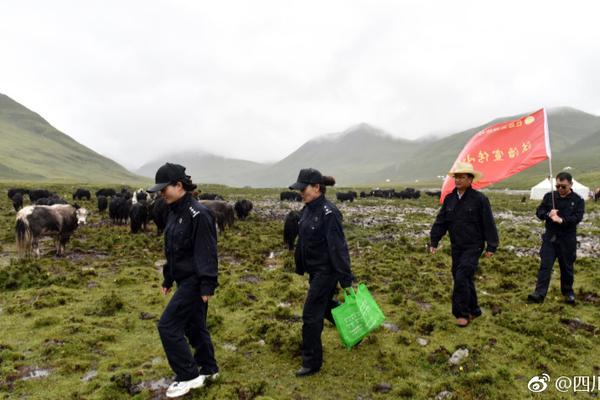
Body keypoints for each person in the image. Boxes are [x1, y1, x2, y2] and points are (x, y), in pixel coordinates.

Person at [147, 163, 219, 398]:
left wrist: (207, 283)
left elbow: (206, 251)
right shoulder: (173, 212)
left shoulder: (199, 214)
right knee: (195, 326)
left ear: (179, 185)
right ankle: (208, 369)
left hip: (195, 281)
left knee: (168, 326)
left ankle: (188, 375)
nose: (160, 194)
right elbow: (173, 250)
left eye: (164, 188)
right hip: (182, 279)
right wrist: (168, 278)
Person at [290, 168, 354, 376]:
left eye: (303, 188)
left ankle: (312, 362)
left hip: (327, 271)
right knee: (326, 306)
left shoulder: (330, 213)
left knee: (310, 315)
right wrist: (301, 265)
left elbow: (338, 247)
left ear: (317, 188)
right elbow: (303, 241)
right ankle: (355, 329)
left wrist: (346, 279)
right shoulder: (308, 209)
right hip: (314, 271)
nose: (300, 192)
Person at [429, 162, 499, 327]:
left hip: (474, 246)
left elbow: (488, 223)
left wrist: (492, 246)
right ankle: (475, 309)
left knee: (461, 277)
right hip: (457, 246)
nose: (458, 180)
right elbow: (441, 222)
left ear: (470, 179)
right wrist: (434, 240)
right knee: (463, 277)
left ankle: (462, 314)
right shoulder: (450, 199)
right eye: (456, 177)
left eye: (462, 177)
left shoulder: (480, 199)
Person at [527, 172, 585, 305]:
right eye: (558, 186)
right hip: (550, 238)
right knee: (545, 265)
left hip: (567, 239)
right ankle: (539, 293)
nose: (560, 189)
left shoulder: (578, 200)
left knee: (566, 267)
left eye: (563, 186)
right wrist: (548, 214)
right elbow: (539, 212)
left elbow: (578, 217)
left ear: (571, 184)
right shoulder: (549, 197)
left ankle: (568, 293)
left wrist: (562, 220)